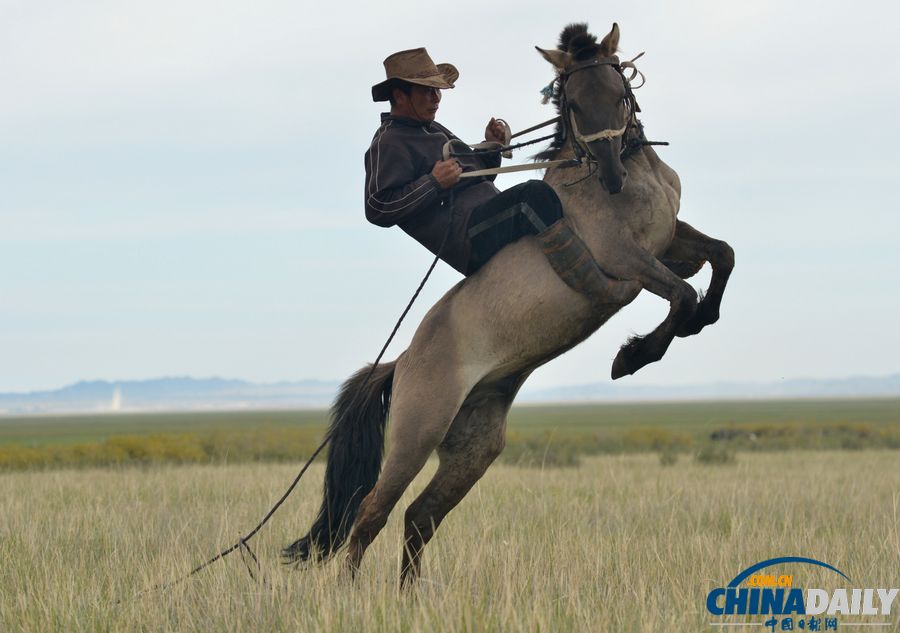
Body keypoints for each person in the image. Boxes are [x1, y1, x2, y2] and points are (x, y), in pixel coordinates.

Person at [364, 47, 625, 302]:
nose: (436, 98)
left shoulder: (431, 128)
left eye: (437, 90)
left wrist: (491, 147)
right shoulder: (388, 142)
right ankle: (594, 285)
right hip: (466, 237)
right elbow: (378, 207)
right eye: (427, 91)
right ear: (399, 96)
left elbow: (476, 174)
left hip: (483, 218)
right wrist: (433, 183)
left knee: (555, 191)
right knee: (531, 196)